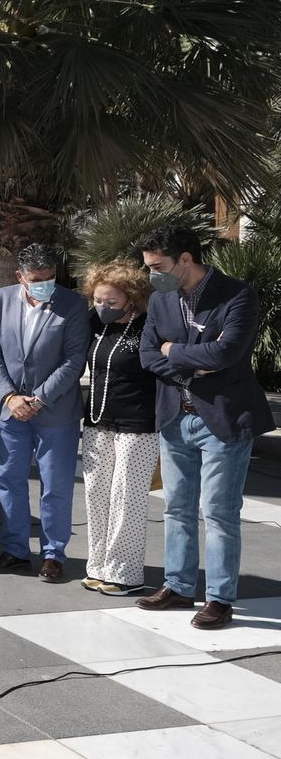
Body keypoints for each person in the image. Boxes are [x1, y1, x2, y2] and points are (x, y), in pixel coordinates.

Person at [137, 224, 276, 629]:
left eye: (157, 265)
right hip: (175, 418)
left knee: (219, 512)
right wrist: (193, 364)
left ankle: (219, 598)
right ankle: (178, 587)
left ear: (185, 259)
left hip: (222, 419)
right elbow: (148, 354)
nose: (151, 274)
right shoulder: (161, 299)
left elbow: (227, 350)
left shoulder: (236, 294)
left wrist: (173, 351)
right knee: (177, 508)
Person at [0, 243, 88, 583]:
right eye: (36, 278)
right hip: (11, 411)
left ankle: (53, 554)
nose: (45, 283)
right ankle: (15, 550)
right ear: (20, 277)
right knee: (10, 480)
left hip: (56, 411)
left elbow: (74, 361)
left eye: (50, 277)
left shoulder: (73, 304)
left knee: (55, 484)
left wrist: (39, 399)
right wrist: (11, 397)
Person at [77, 259, 157, 596]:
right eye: (97, 300)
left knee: (127, 499)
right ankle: (98, 566)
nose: (102, 307)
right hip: (97, 422)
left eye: (111, 302)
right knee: (96, 496)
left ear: (131, 299)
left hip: (137, 425)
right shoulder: (97, 324)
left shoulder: (149, 326)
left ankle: (124, 573)